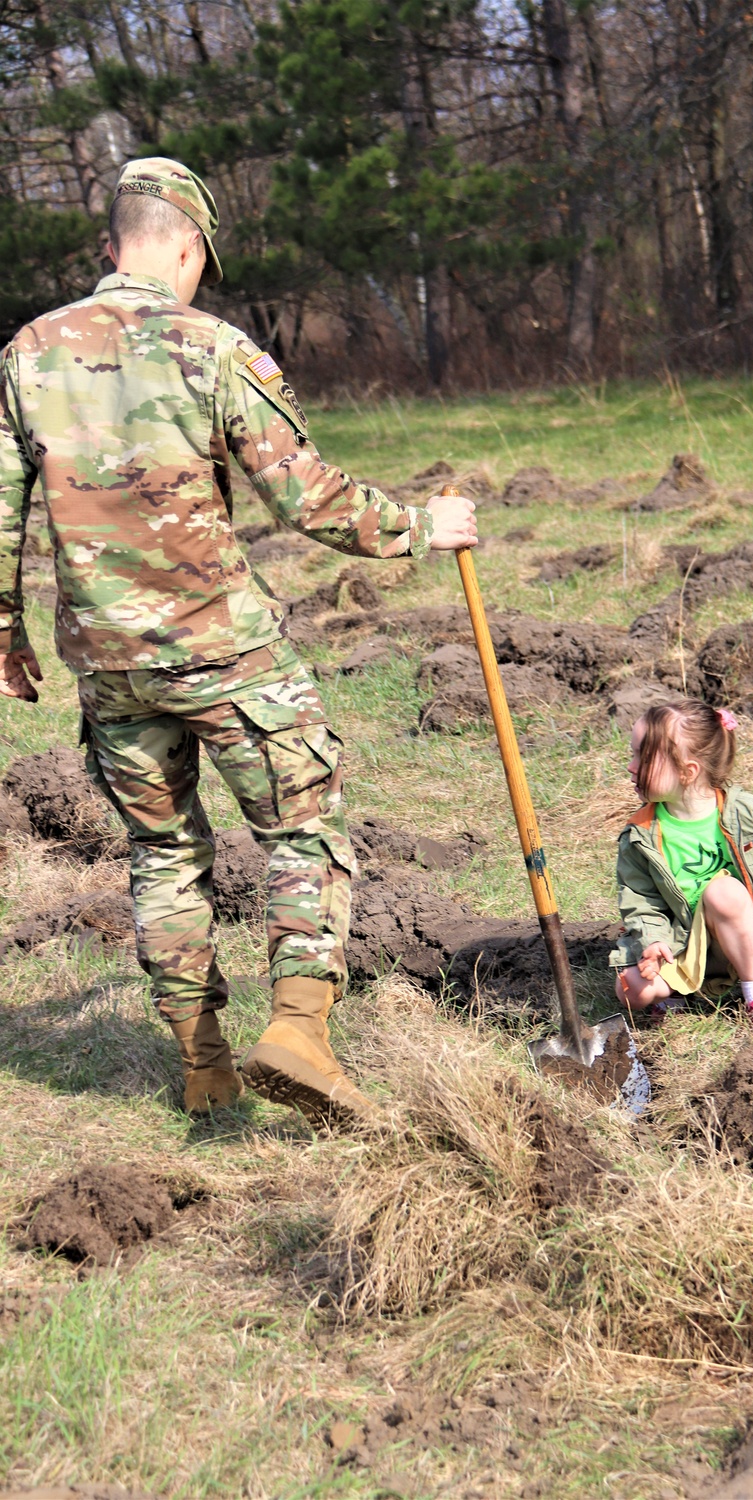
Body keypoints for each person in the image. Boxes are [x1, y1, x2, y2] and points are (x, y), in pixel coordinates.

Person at [0, 156, 477, 1125]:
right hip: (226, 653)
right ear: (185, 245)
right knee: (303, 831)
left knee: (164, 856)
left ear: (111, 245)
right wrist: (423, 527)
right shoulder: (212, 349)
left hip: (111, 664)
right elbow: (308, 498)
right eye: (197, 263)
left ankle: (202, 1065)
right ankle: (297, 1031)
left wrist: (3, 629)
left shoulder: (27, 354)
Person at [610, 700, 753, 1027]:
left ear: (688, 771)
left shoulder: (748, 814)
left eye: (641, 757)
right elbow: (640, 899)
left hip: (750, 950)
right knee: (631, 990)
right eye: (632, 755)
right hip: (685, 950)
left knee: (724, 892)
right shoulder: (640, 834)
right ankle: (682, 994)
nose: (631, 767)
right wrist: (652, 941)